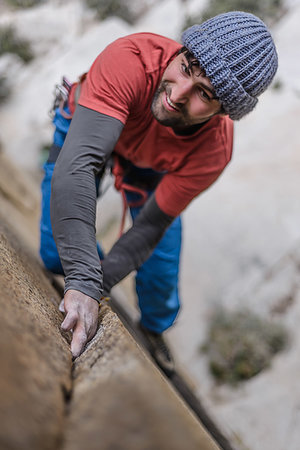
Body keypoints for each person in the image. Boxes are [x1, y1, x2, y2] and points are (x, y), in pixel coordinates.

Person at [39, 11, 278, 371]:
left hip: (151, 166)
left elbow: (150, 227)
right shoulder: (131, 59)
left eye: (205, 93)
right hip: (90, 125)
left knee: (160, 270)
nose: (178, 94)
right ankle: (84, 258)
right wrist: (85, 279)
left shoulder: (214, 150)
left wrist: (94, 287)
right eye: (187, 68)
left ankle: (154, 328)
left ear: (223, 111)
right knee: (56, 254)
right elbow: (77, 168)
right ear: (181, 51)